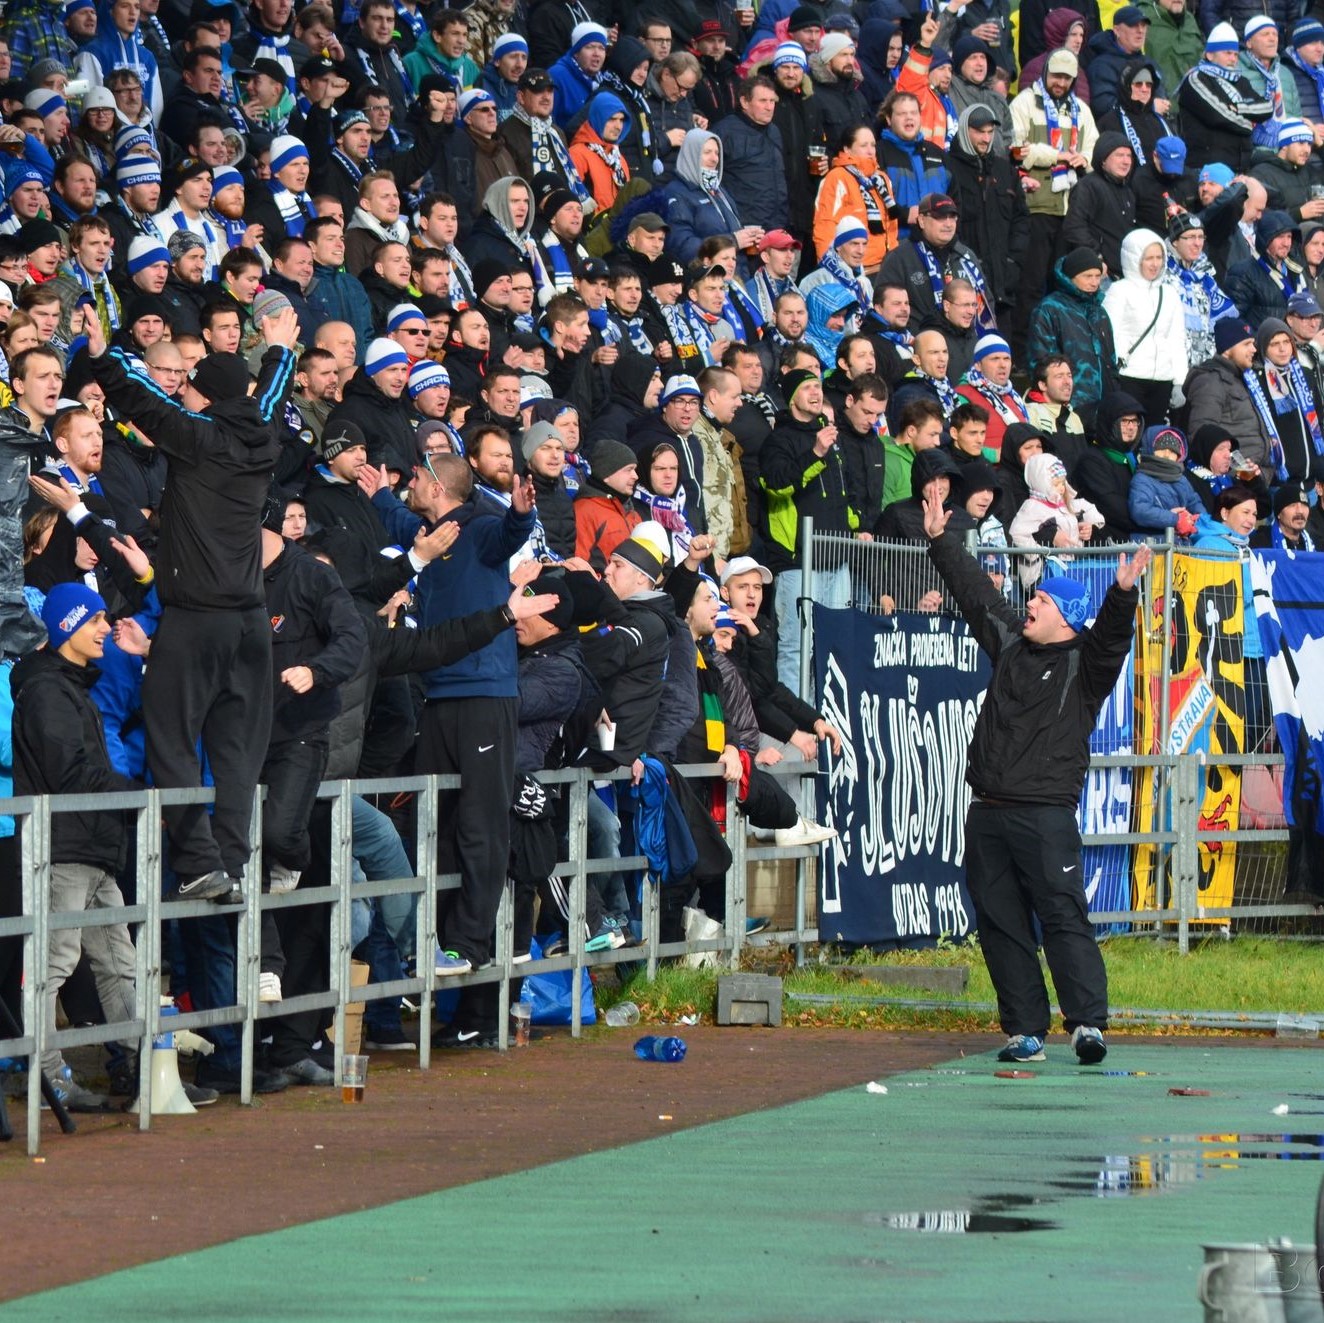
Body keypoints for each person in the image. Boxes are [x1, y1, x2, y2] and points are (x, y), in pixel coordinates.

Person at [922, 487, 1152, 1065]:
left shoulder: (1085, 665)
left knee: (1062, 915)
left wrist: (1122, 595)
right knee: (999, 923)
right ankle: (1025, 1030)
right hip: (988, 812)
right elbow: (976, 594)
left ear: (1067, 617)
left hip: (1045, 814)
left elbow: (1110, 640)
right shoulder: (1009, 643)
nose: (1032, 603)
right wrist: (939, 541)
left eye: (1043, 599)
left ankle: (1087, 1026)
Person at [82, 302, 300, 902]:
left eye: (197, 390)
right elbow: (271, 399)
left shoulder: (199, 438)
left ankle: (200, 859)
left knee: (170, 735)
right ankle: (229, 864)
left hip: (196, 618)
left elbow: (141, 402)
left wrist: (100, 356)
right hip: (252, 625)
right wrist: (280, 350)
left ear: (208, 399)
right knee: (236, 749)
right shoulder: (265, 438)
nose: (191, 397)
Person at [1102, 227, 1187, 424]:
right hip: (1129, 377)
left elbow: (1176, 339)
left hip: (1163, 379)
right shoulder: (1119, 291)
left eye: (1159, 257)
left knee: (1153, 436)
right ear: (1134, 258)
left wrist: (1179, 381)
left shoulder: (1169, 293)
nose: (1155, 264)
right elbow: (1108, 335)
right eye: (1149, 258)